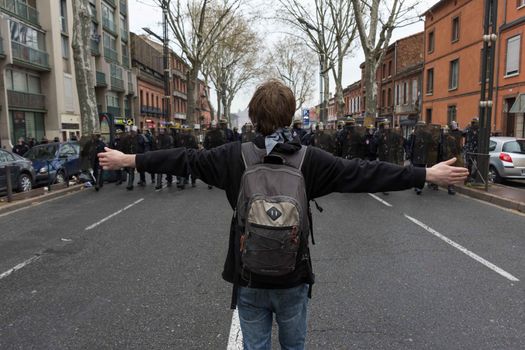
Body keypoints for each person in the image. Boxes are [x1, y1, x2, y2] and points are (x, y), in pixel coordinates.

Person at [99, 79, 468, 350]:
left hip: (248, 275)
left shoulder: (232, 156)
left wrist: (129, 159)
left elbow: (184, 160)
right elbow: (364, 172)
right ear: (290, 115)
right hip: (293, 275)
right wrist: (425, 173)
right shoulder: (311, 160)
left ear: (254, 115)